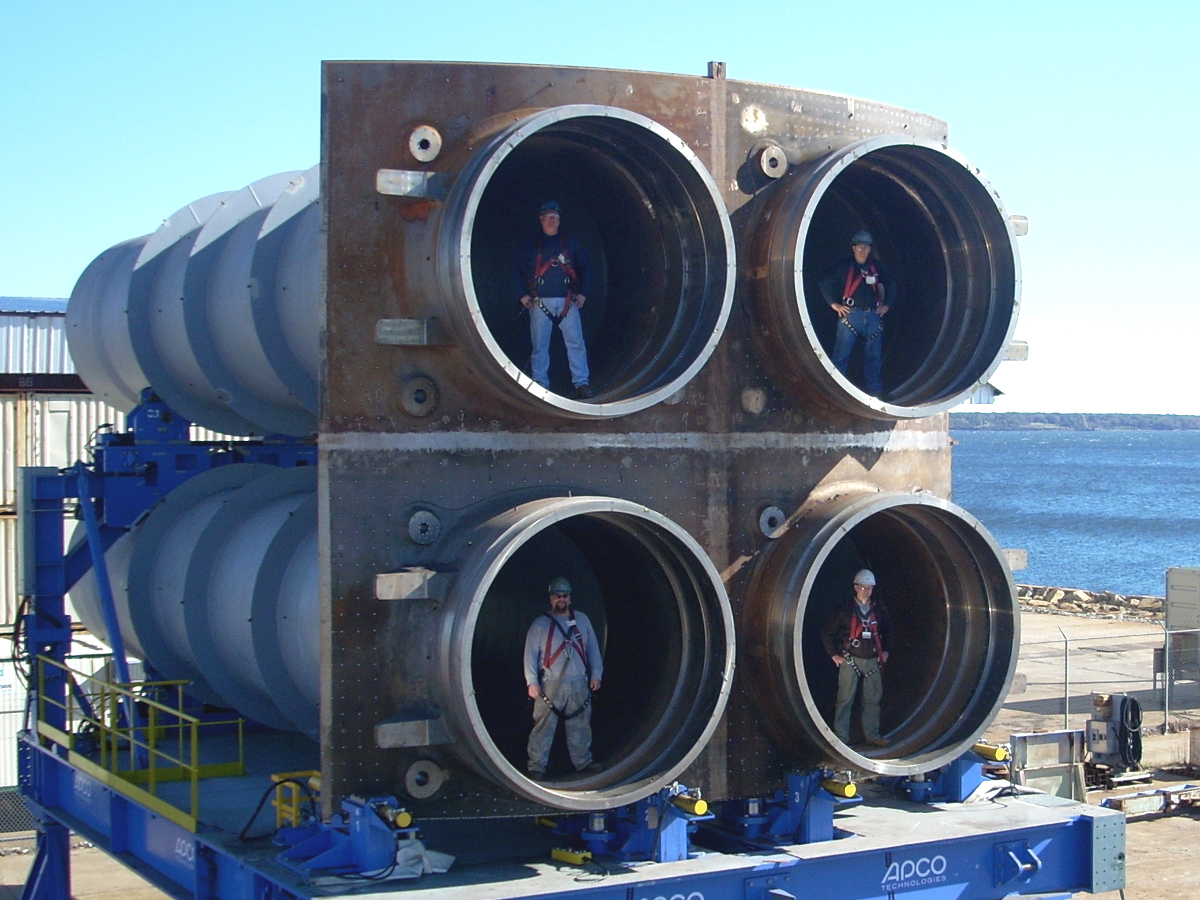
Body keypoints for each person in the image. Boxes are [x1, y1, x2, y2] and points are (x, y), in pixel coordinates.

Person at [512, 201, 594, 399]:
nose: (551, 220)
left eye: (555, 217)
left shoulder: (570, 243)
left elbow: (587, 267)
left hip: (568, 302)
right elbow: (515, 270)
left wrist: (583, 293)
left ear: (559, 220)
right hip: (539, 303)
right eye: (548, 216)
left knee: (576, 343)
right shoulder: (530, 245)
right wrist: (522, 295)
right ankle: (541, 385)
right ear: (541, 219)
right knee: (540, 346)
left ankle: (582, 383)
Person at [523, 577, 604, 778]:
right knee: (543, 726)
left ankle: (583, 762)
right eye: (557, 596)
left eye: (564, 596)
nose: (561, 599)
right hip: (551, 684)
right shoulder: (540, 625)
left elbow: (593, 648)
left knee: (580, 724)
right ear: (551, 598)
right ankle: (536, 766)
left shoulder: (582, 620)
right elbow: (530, 655)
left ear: (570, 598)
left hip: (578, 682)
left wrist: (596, 674)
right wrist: (532, 682)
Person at [817, 230, 899, 396]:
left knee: (873, 357)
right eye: (860, 246)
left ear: (870, 249)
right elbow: (824, 282)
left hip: (873, 316)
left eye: (866, 247)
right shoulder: (845, 267)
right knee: (841, 357)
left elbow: (891, 283)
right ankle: (837, 391)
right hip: (850, 316)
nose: (863, 250)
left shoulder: (876, 267)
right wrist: (834, 304)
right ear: (853, 248)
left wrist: (886, 306)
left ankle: (874, 392)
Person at [821, 568, 893, 747]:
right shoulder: (844, 610)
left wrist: (886, 651)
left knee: (872, 700)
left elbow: (888, 630)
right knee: (845, 700)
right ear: (855, 587)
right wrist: (834, 655)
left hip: (872, 661)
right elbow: (827, 632)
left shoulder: (879, 609)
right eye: (863, 587)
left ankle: (872, 736)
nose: (866, 591)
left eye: (869, 588)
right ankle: (841, 738)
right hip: (850, 660)